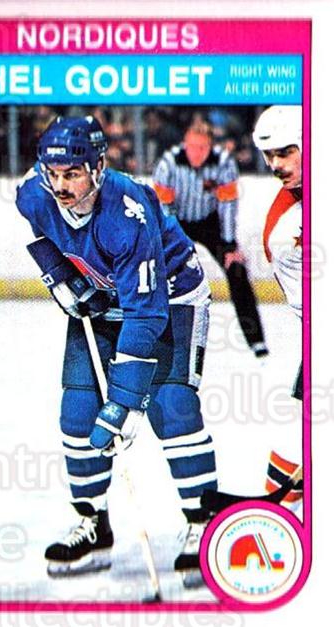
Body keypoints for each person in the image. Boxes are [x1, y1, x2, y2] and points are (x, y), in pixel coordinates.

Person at [15, 115, 217, 583]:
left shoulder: (127, 214)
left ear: (98, 167)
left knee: (171, 406)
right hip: (105, 295)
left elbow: (146, 313)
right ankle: (93, 525)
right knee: (78, 411)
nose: (60, 186)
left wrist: (124, 402)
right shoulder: (33, 193)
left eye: (73, 174)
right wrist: (60, 276)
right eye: (54, 174)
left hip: (171, 297)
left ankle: (203, 523)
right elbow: (42, 232)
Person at [153, 121, 268, 358]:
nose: (197, 153)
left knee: (236, 270)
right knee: (160, 271)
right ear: (185, 145)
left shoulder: (224, 163)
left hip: (210, 222)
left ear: (210, 147)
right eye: (192, 147)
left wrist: (229, 245)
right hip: (177, 222)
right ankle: (157, 334)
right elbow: (164, 209)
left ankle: (256, 339)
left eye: (202, 148)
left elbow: (228, 206)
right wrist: (172, 244)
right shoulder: (168, 163)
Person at [253, 105, 303, 507]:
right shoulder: (284, 231)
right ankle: (278, 520)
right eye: (269, 156)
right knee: (296, 436)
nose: (275, 165)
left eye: (285, 152)